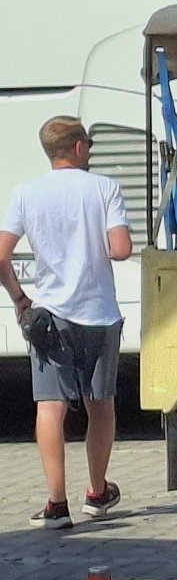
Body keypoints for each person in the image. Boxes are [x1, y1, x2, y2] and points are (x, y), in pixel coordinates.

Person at [0, 117, 132, 530]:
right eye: (88, 144)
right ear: (77, 148)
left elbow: (1, 256)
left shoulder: (25, 193)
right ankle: (96, 492)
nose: (90, 150)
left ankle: (56, 503)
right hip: (99, 313)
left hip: (50, 314)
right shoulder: (104, 188)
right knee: (101, 405)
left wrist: (21, 299)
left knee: (50, 408)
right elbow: (122, 249)